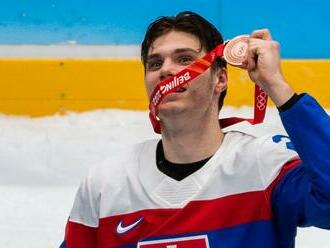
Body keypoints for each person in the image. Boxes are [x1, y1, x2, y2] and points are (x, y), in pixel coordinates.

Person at [60, 11, 330, 248]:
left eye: (184, 59)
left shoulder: (265, 165)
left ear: (220, 79)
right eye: (155, 63)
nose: (166, 70)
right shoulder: (106, 183)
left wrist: (277, 86)